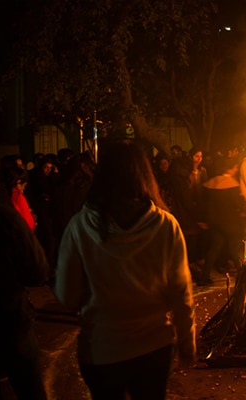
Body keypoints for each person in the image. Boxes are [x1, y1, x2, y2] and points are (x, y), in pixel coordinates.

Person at [54, 139, 196, 400]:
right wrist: (187, 343)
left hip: (102, 350)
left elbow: (67, 295)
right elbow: (180, 291)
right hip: (155, 347)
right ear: (144, 174)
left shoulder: (80, 226)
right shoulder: (166, 225)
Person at [0, 203, 50, 400]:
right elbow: (37, 271)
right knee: (31, 391)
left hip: (10, 317)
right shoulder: (5, 217)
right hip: (9, 319)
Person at [200, 156, 245, 284]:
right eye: (235, 167)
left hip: (215, 223)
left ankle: (204, 277)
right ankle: (243, 275)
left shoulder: (210, 183)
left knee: (213, 250)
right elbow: (238, 203)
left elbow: (204, 204)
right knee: (236, 250)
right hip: (230, 222)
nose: (236, 170)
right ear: (230, 169)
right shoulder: (232, 184)